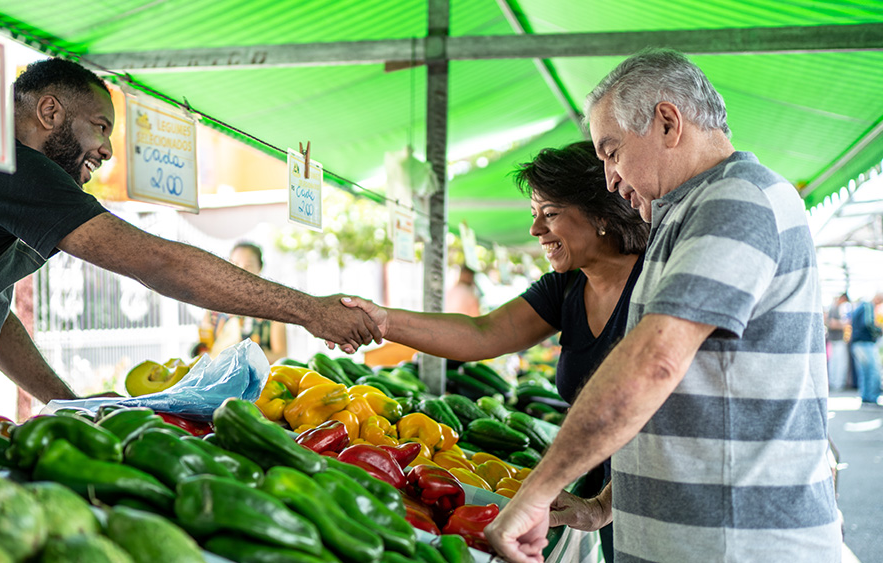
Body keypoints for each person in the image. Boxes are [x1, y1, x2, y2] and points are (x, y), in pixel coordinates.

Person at [484, 48, 841, 563]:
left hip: (737, 546)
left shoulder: (736, 199)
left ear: (668, 122)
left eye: (612, 152)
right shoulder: (682, 216)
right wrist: (602, 507)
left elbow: (657, 362)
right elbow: (694, 394)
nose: (608, 178)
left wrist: (535, 493)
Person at [0, 58, 380, 416]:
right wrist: (311, 310)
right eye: (100, 128)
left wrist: (68, 403)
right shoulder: (6, 165)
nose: (105, 151)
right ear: (50, 113)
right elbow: (158, 263)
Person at [341, 140, 650, 562]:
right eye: (533, 215)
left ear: (599, 214)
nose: (536, 230)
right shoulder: (569, 286)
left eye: (551, 214)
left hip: (664, 491)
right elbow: (482, 333)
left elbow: (665, 414)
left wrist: (602, 507)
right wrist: (382, 321)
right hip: (608, 490)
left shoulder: (656, 284)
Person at [199, 242, 288, 364]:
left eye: (248, 265)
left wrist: (243, 358)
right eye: (235, 264)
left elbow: (281, 356)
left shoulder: (273, 310)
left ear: (259, 268)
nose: (240, 270)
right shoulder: (213, 308)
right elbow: (204, 348)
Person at [849, 293, 882, 406]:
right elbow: (868, 323)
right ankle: (872, 397)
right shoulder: (868, 306)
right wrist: (878, 331)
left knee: (864, 372)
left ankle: (866, 397)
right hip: (865, 342)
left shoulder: (860, 306)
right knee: (873, 371)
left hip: (857, 343)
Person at [825, 292, 851, 391]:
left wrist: (839, 324)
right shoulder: (836, 308)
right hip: (837, 339)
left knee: (836, 362)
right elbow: (832, 324)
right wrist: (842, 324)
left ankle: (836, 383)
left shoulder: (837, 308)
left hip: (836, 339)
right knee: (837, 363)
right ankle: (837, 384)